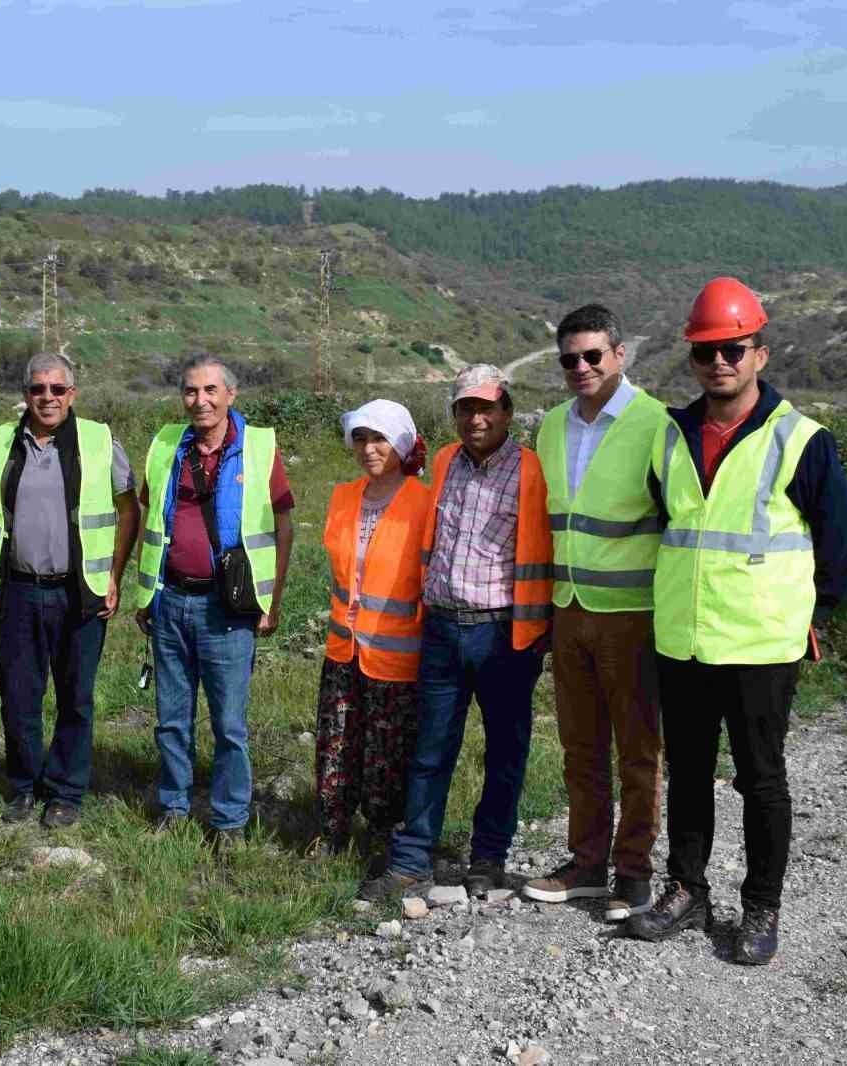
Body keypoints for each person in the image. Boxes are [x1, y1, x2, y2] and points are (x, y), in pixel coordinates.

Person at [627, 277, 847, 965]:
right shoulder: (670, 437)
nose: (719, 363)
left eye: (733, 349)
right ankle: (687, 889)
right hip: (685, 641)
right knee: (690, 774)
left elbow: (842, 553)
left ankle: (761, 906)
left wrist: (800, 616)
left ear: (761, 352)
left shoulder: (802, 442)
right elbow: (671, 525)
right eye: (706, 352)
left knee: (760, 779)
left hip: (761, 647)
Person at [359, 365, 554, 901]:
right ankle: (411, 860)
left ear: (507, 413)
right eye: (466, 407)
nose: (476, 417)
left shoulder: (533, 471)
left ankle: (488, 859)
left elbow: (548, 551)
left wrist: (541, 630)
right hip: (443, 628)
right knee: (431, 748)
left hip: (504, 636)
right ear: (454, 415)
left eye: (487, 407)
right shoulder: (444, 463)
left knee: (504, 752)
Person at [525, 305, 667, 921]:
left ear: (619, 355)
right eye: (569, 359)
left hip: (632, 612)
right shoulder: (552, 427)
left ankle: (633, 874)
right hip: (570, 610)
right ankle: (586, 864)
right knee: (580, 747)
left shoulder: (657, 424)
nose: (580, 368)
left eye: (592, 356)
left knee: (638, 750)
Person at [132, 353, 295, 846]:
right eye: (189, 391)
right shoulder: (166, 445)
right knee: (171, 719)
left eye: (209, 391)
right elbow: (150, 519)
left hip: (229, 609)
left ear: (230, 395)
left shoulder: (259, 447)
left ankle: (228, 821)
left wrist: (273, 599)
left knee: (229, 725)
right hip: (171, 603)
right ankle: (174, 806)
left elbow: (284, 526)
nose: (199, 401)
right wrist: (147, 594)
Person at [0, 353, 140, 828]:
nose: (47, 398)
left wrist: (112, 575)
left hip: (79, 591)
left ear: (73, 394)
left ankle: (66, 792)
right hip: (18, 590)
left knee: (76, 697)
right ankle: (24, 787)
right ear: (24, 394)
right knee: (19, 696)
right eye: (37, 389)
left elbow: (128, 509)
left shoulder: (100, 439)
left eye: (57, 389)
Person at [315, 399, 431, 857]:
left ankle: (383, 835)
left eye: (379, 437)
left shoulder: (424, 503)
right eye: (360, 438)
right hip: (344, 649)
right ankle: (332, 830)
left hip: (397, 655)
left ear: (400, 442)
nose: (368, 448)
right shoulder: (344, 497)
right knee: (336, 743)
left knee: (388, 751)